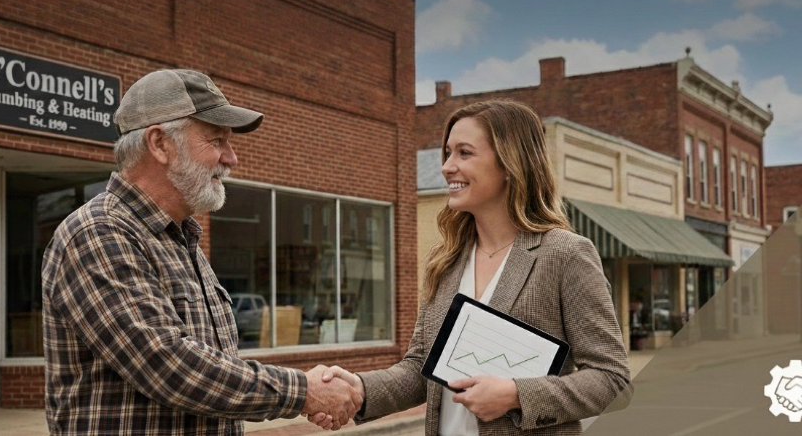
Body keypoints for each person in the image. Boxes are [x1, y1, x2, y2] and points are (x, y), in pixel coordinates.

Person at [42, 68, 360, 435]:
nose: (232, 158)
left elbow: (210, 367)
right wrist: (302, 391)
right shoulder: (99, 233)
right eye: (216, 141)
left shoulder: (181, 238)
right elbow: (167, 365)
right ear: (160, 144)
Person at [317, 100, 632, 434]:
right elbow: (422, 369)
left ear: (511, 163)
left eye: (464, 153)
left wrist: (516, 395)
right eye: (448, 153)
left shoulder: (566, 255)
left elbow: (613, 380)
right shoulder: (446, 260)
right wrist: (359, 390)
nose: (447, 167)